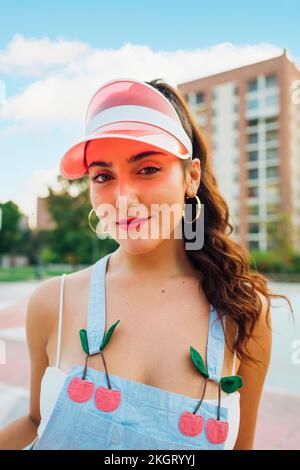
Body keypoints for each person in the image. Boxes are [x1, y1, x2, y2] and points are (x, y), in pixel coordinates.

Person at [0, 78, 291, 450]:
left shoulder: (244, 312)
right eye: (103, 176)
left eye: (148, 169)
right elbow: (35, 422)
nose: (122, 197)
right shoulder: (51, 301)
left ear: (192, 176)